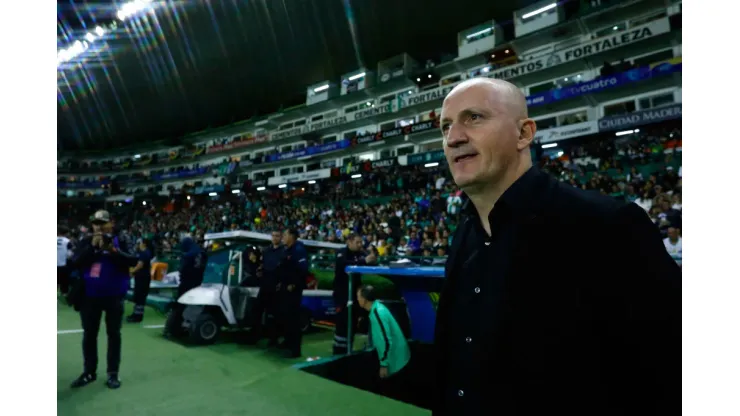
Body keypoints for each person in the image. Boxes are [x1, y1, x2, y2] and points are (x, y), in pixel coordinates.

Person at [434, 78, 681, 415]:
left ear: (524, 134)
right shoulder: (465, 232)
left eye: (474, 118)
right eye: (446, 126)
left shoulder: (608, 225)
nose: (453, 137)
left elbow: (669, 370)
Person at [68, 210, 137, 390]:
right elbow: (75, 262)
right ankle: (89, 371)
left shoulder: (121, 239)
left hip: (114, 295)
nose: (98, 226)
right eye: (95, 223)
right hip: (90, 296)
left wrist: (112, 251)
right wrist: (92, 248)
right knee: (89, 335)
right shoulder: (86, 240)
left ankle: (113, 373)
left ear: (111, 223)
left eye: (102, 223)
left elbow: (132, 260)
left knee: (114, 334)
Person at [356, 285, 411, 395]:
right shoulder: (377, 308)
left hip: (397, 361)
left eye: (358, 296)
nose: (357, 299)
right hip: (398, 357)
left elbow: (386, 340)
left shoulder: (377, 313)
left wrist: (384, 365)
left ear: (365, 299)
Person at [332, 233, 376, 355]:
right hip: (342, 296)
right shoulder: (341, 252)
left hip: (356, 295)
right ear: (349, 242)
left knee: (353, 324)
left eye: (361, 242)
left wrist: (372, 256)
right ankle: (338, 352)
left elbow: (370, 261)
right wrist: (364, 260)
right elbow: (344, 264)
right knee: (342, 324)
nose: (360, 245)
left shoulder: (360, 253)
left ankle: (348, 350)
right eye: (357, 242)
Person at [165, 236, 208, 337]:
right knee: (195, 307)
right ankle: (189, 327)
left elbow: (182, 269)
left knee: (179, 306)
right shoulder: (202, 252)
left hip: (186, 284)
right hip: (198, 284)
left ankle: (173, 330)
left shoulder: (187, 255)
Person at [247, 231, 284, 346]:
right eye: (273, 236)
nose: (274, 238)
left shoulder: (284, 251)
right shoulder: (266, 251)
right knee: (257, 311)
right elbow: (261, 264)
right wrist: (259, 270)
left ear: (281, 237)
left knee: (273, 314)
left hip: (276, 287)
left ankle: (273, 338)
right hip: (264, 285)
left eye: (277, 236)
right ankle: (254, 336)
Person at [276, 228, 308, 358]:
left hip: (293, 290)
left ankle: (295, 350)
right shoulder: (286, 250)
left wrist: (294, 284)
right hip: (284, 288)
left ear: (292, 236)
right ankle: (288, 342)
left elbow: (302, 270)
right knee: (285, 317)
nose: (283, 236)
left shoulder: (299, 250)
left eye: (285, 234)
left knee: (294, 319)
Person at [126, 239, 154, 323]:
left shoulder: (145, 253)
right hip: (140, 276)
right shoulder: (143, 252)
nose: (139, 244)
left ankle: (138, 316)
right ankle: (135, 314)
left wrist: (132, 271)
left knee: (140, 296)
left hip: (143, 277)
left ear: (144, 244)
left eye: (140, 243)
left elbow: (140, 265)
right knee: (138, 296)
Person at [57, 225, 73, 296]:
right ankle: (64, 293)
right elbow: (70, 254)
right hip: (63, 265)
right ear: (66, 233)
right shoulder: (68, 241)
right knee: (64, 282)